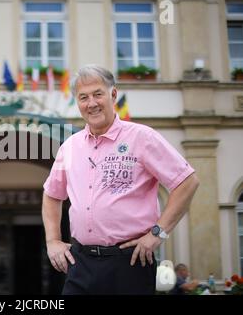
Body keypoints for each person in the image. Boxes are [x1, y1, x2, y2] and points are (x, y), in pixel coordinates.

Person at [42, 64, 200, 294]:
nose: (91, 103)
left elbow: (187, 182)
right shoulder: (70, 147)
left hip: (130, 262)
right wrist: (53, 241)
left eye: (98, 94)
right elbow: (51, 195)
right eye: (83, 97)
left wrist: (158, 233)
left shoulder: (141, 137)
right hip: (81, 263)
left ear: (113, 94)